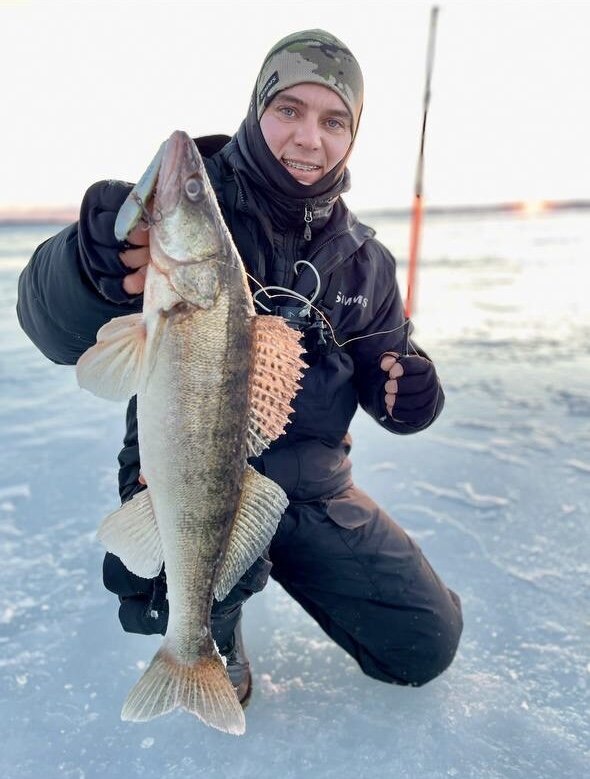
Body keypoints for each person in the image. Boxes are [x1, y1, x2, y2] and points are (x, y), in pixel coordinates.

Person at [17, 29, 462, 706]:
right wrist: (87, 264)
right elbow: (50, 326)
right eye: (289, 110)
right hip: (184, 472)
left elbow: (387, 368)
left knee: (424, 643)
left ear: (352, 135)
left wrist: (413, 394)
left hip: (313, 491)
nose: (309, 138)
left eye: (333, 120)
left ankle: (268, 577)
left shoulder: (365, 260)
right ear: (257, 109)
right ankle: (209, 635)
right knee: (187, 585)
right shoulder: (189, 216)